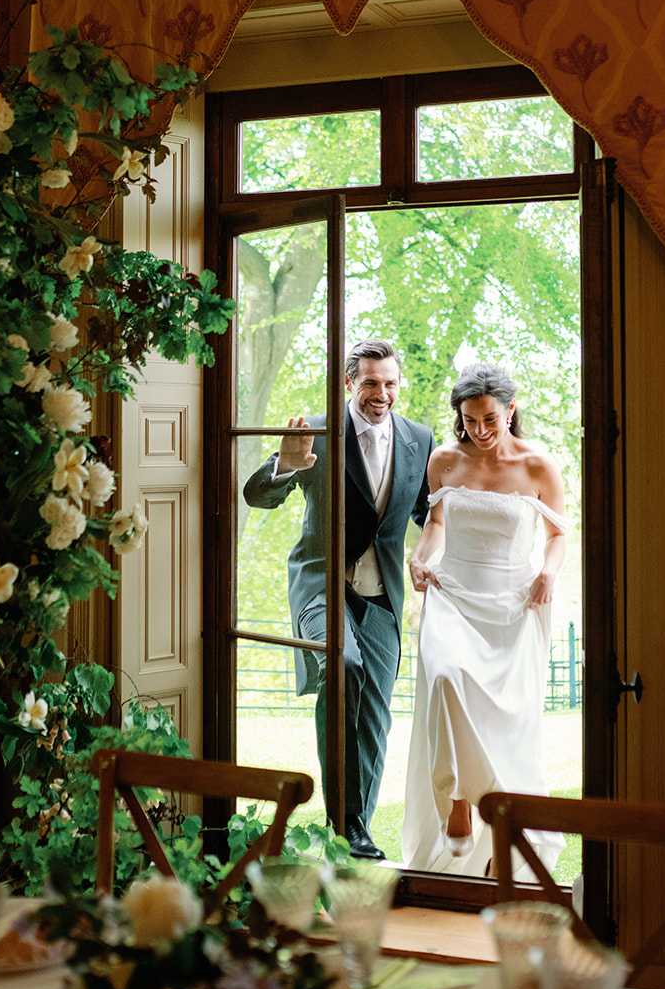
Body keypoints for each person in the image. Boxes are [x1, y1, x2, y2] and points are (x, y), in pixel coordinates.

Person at [243, 340, 434, 860]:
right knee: (342, 664)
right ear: (351, 383)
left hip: (381, 598)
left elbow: (427, 513)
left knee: (374, 715)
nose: (381, 394)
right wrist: (284, 463)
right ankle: (343, 823)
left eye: (390, 383)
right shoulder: (318, 433)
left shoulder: (419, 438)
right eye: (370, 383)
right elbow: (258, 496)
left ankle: (357, 830)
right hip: (322, 588)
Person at [401, 362, 568, 877]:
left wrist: (548, 572)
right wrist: (420, 557)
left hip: (514, 606)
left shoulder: (539, 465)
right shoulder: (445, 461)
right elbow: (436, 521)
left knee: (508, 728)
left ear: (510, 409)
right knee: (446, 679)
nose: (480, 430)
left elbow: (560, 533)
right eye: (470, 420)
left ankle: (508, 839)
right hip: (453, 595)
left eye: (490, 418)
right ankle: (456, 800)